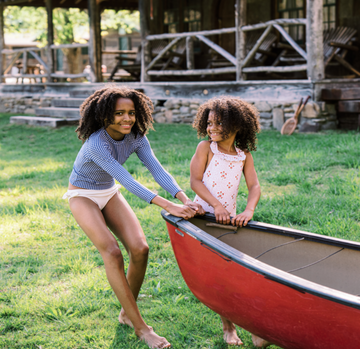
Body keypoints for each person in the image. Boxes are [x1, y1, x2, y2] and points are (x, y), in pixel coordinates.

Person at [63, 86, 203, 349]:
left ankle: (128, 314)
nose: (127, 119)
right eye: (118, 113)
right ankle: (142, 329)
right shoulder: (97, 143)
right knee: (113, 253)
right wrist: (166, 205)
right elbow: (125, 178)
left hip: (107, 192)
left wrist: (184, 198)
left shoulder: (137, 136)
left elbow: (156, 169)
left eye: (131, 112)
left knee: (140, 249)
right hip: (82, 194)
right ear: (104, 115)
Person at [190, 96, 270, 348]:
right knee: (219, 275)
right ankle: (229, 328)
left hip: (229, 220)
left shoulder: (242, 155)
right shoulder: (206, 148)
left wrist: (248, 210)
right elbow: (195, 181)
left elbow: (254, 185)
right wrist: (215, 205)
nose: (211, 128)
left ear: (237, 126)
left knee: (233, 274)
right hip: (202, 218)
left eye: (218, 124)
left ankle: (256, 331)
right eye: (209, 122)